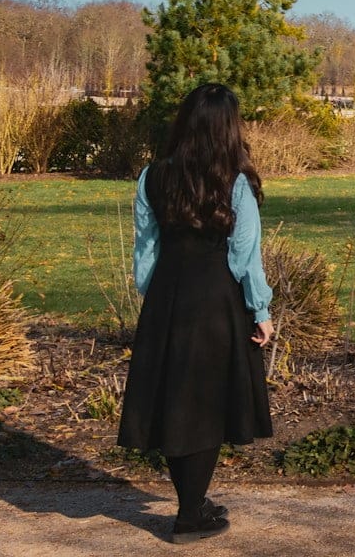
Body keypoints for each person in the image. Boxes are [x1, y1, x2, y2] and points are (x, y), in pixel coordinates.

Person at [116, 83, 274, 543]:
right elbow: (245, 254)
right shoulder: (235, 181)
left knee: (174, 400)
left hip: (167, 296)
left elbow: (145, 249)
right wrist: (259, 308)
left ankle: (193, 504)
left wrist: (155, 301)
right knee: (205, 403)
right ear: (229, 128)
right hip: (215, 300)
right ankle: (189, 515)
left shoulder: (152, 176)